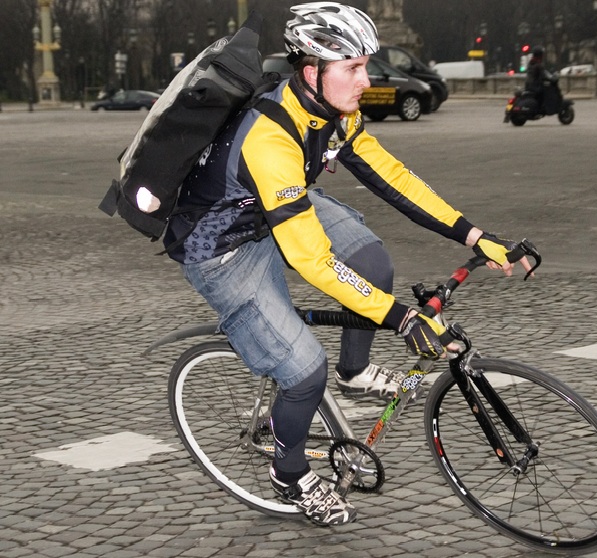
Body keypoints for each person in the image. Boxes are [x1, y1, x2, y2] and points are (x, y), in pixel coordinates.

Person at [163, 2, 533, 526]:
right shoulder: (270, 140)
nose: (367, 79)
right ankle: (289, 476)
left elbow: (393, 177)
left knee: (370, 259)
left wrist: (475, 234)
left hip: (275, 209)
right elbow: (310, 258)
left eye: (366, 65)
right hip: (223, 248)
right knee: (302, 370)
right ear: (311, 71)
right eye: (354, 68)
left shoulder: (333, 111)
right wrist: (404, 319)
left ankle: (355, 370)